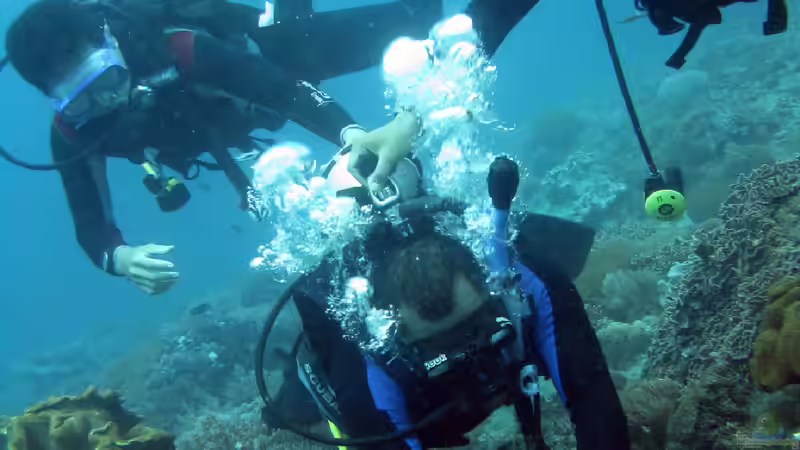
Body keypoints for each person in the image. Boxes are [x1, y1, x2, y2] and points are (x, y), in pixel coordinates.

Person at [3, 0, 441, 295]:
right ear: (54, 99)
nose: (107, 101)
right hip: (224, 122)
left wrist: (350, 133)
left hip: (258, 58)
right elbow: (89, 223)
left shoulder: (177, 46)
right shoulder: (71, 129)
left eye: (107, 79)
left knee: (415, 19)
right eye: (81, 98)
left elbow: (281, 89)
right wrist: (121, 258)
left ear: (110, 42)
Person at [260, 154, 630, 449]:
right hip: (409, 405)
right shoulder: (362, 359)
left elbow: (594, 402)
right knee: (299, 410)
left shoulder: (525, 279)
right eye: (437, 346)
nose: (465, 356)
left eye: (477, 326)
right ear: (389, 331)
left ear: (491, 288)